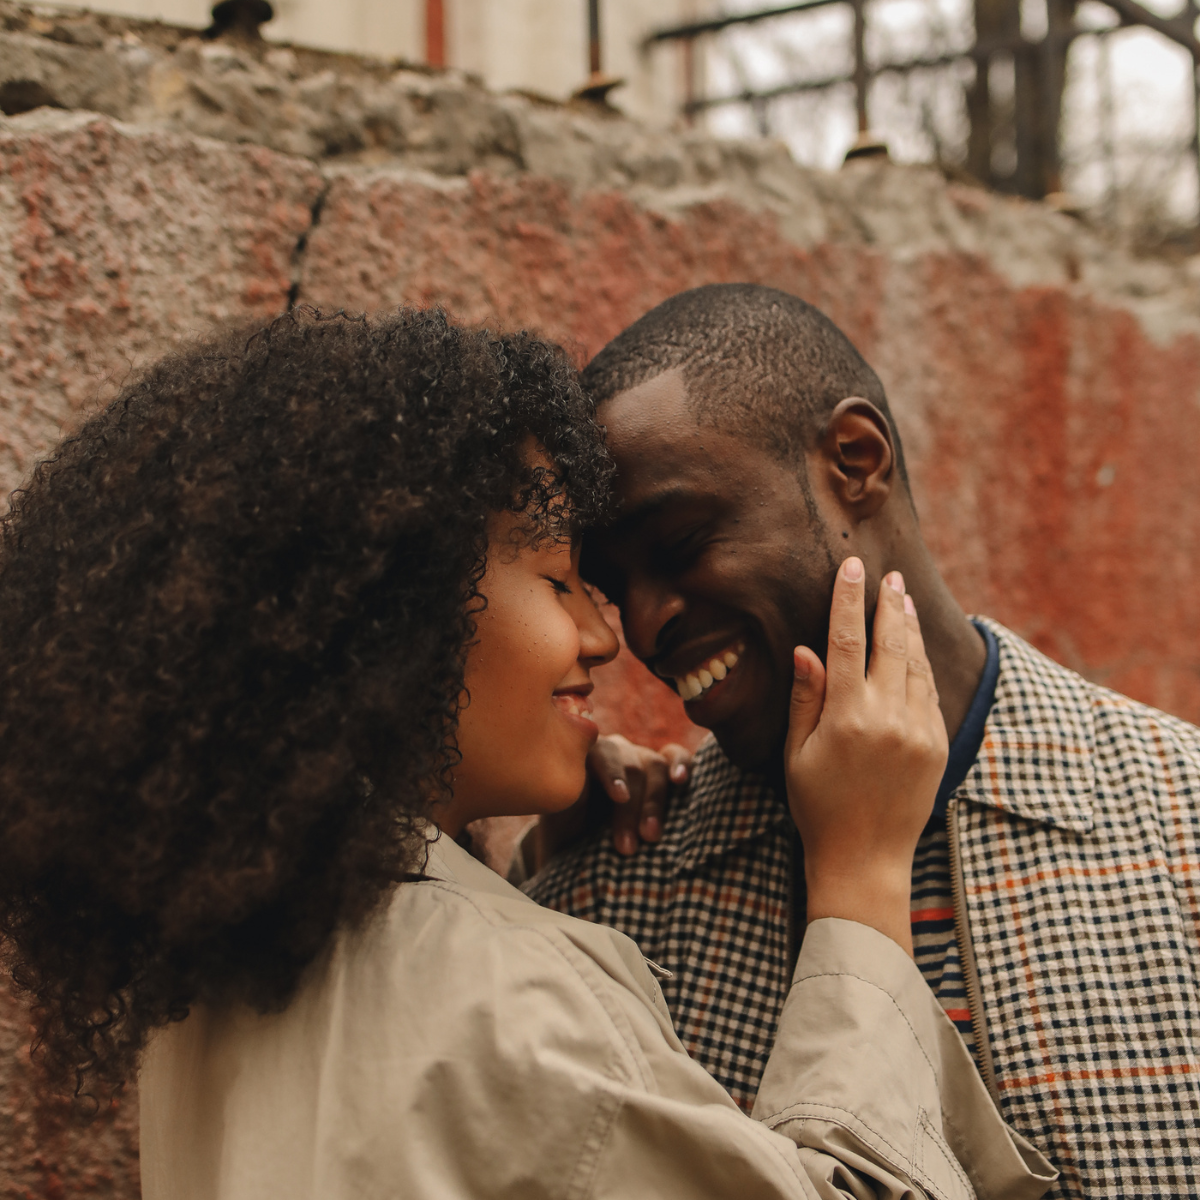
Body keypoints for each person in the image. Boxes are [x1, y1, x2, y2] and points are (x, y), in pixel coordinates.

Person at [0, 308, 1051, 1200]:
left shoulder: (231, 972)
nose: (611, 635)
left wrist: (514, 879)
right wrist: (861, 876)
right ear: (393, 622)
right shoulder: (517, 1009)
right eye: (560, 583)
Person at [523, 283, 1200, 1200]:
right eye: (611, 586)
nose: (643, 628)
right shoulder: (605, 902)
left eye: (681, 541)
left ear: (856, 458)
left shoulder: (1182, 823)